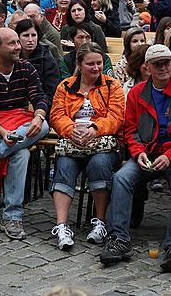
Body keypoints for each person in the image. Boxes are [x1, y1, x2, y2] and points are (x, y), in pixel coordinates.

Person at [100, 44, 171, 272]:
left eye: (167, 62)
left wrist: (170, 156)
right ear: (147, 68)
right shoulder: (137, 94)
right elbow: (131, 131)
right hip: (148, 154)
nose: (163, 67)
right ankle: (119, 239)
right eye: (157, 64)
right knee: (121, 179)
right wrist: (138, 153)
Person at [0, 27, 50, 240]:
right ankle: (12, 217)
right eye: (12, 43)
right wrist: (3, 131)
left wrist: (38, 115)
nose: (18, 47)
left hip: (22, 122)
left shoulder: (26, 68)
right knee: (21, 154)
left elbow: (39, 97)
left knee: (43, 126)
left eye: (18, 42)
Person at [49, 42, 125, 250]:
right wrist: (70, 129)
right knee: (64, 166)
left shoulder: (111, 85)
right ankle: (62, 225)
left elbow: (116, 116)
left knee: (99, 165)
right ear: (79, 64)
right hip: (73, 141)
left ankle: (100, 222)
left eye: (99, 63)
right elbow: (56, 115)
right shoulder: (65, 86)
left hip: (101, 142)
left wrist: (94, 129)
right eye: (90, 64)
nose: (96, 68)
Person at [16, 19, 61, 106]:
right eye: (25, 35)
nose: (30, 40)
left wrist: (39, 107)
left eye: (33, 35)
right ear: (18, 37)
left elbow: (52, 90)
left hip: (43, 105)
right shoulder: (12, 56)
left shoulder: (46, 57)